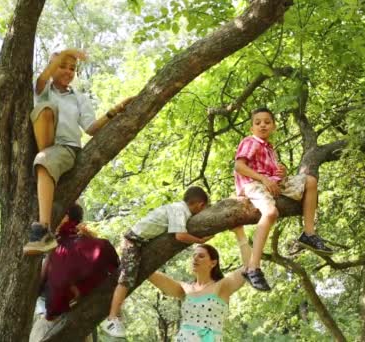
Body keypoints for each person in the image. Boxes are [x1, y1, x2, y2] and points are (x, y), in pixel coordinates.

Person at [23, 49, 134, 255]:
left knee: (43, 159)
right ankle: (45, 226)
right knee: (46, 109)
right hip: (45, 143)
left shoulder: (79, 98)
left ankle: (42, 230)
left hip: (65, 148)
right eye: (62, 66)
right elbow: (41, 81)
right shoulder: (43, 89)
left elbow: (91, 128)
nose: (67, 71)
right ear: (52, 66)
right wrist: (66, 52)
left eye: (72, 68)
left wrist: (115, 110)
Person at [233, 107, 333, 291]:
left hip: (271, 183)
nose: (262, 125)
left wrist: (281, 172)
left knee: (310, 181)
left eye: (267, 122)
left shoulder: (269, 149)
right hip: (252, 184)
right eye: (258, 122)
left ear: (274, 127)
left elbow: (272, 175)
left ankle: (309, 234)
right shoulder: (250, 142)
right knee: (271, 213)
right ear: (251, 127)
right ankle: (252, 267)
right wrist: (264, 178)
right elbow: (239, 166)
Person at [101, 186, 212, 338]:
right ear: (200, 204)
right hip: (133, 241)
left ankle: (116, 314)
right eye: (203, 208)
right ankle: (112, 318)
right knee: (127, 278)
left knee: (132, 277)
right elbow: (179, 235)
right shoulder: (180, 210)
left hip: (140, 242)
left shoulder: (177, 209)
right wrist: (199, 240)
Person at [29, 203, 119, 342]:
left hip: (55, 323)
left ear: (66, 218)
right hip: (77, 322)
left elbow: (47, 288)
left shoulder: (65, 249)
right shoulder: (88, 245)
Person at [147, 227, 251, 341]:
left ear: (213, 263)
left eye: (201, 256)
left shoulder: (222, 286)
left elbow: (249, 266)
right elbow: (149, 273)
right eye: (194, 256)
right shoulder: (185, 288)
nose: (195, 258)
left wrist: (239, 232)